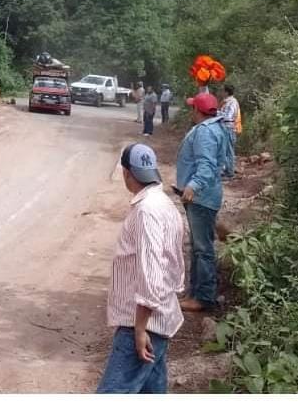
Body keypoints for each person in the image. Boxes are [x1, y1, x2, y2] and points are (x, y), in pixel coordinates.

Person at [97, 143, 185, 394]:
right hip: (160, 317)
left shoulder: (146, 211)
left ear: (126, 173)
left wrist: (139, 328)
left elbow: (152, 272)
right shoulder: (165, 205)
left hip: (143, 323)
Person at [175, 92, 228, 313]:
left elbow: (206, 165)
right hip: (207, 196)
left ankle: (203, 297)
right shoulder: (218, 128)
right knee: (198, 247)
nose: (191, 111)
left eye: (192, 108)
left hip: (201, 198)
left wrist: (192, 186)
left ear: (198, 111)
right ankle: (195, 292)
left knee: (202, 248)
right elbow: (226, 161)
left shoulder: (205, 132)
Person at [217, 85, 241, 179]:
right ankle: (227, 170)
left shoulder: (232, 102)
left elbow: (229, 116)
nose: (221, 92)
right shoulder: (227, 102)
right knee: (225, 150)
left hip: (229, 127)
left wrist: (217, 113)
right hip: (225, 127)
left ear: (227, 92)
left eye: (222, 91)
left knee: (229, 151)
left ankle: (230, 173)